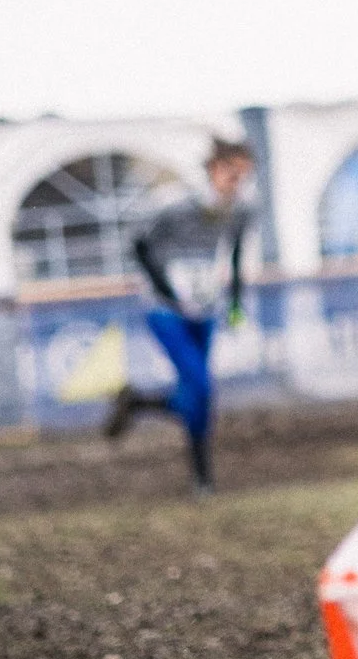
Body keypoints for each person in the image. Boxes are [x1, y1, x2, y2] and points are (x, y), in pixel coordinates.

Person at [105, 138, 256, 493]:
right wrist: (169, 291)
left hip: (204, 310)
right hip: (166, 311)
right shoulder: (175, 207)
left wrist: (234, 303)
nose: (237, 182)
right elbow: (139, 246)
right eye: (232, 174)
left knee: (197, 393)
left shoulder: (241, 212)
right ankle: (201, 475)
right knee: (202, 385)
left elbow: (233, 256)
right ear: (213, 170)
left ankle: (144, 408)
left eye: (243, 176)